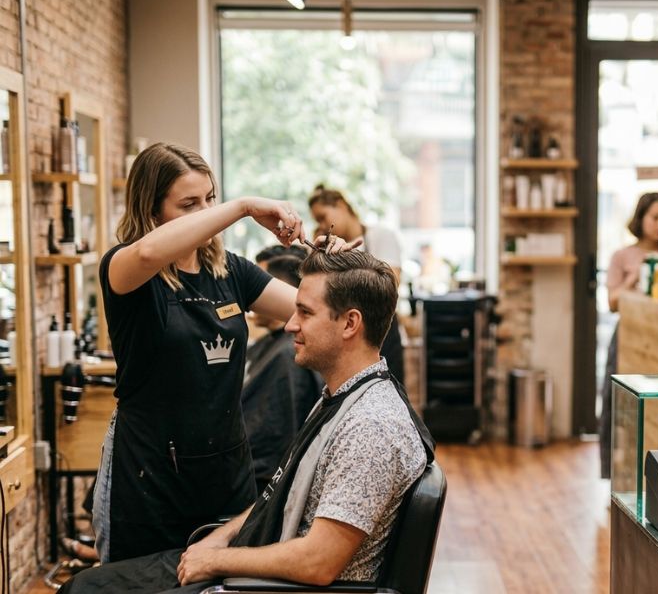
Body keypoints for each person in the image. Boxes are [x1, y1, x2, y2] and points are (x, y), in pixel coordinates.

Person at [61, 250, 434, 594]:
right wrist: (222, 537)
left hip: (280, 587)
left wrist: (217, 560)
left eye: (305, 312)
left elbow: (318, 563)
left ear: (350, 323)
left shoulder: (370, 426)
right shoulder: (343, 399)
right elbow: (282, 497)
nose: (290, 324)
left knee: (85, 591)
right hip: (264, 567)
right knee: (87, 586)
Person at [92, 143, 357, 563]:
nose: (205, 212)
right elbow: (147, 252)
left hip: (225, 468)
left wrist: (336, 270)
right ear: (153, 211)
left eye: (210, 199)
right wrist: (245, 207)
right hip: (147, 472)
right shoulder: (126, 271)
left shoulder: (230, 271)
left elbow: (311, 312)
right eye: (189, 204)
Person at [598, 192, 658, 479]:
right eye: (655, 217)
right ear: (641, 218)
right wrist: (637, 275)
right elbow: (612, 302)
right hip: (629, 335)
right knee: (615, 401)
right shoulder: (622, 256)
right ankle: (613, 472)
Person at [243, 252, 324, 494]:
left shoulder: (287, 356)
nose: (249, 297)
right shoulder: (273, 346)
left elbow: (272, 441)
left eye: (257, 287)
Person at [308, 184, 405, 384]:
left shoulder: (381, 236)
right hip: (346, 338)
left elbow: (390, 285)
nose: (323, 225)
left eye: (323, 217)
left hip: (383, 335)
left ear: (341, 205)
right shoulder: (329, 249)